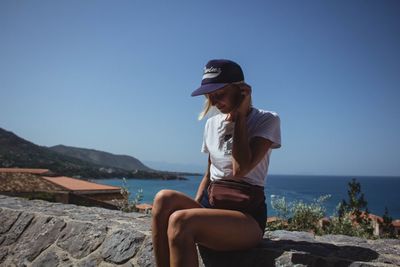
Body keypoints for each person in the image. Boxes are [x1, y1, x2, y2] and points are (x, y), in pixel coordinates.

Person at [151, 59, 281, 267]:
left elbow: (240, 169)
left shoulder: (266, 120)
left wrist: (239, 117)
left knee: (180, 221)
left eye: (218, 94)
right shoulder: (212, 124)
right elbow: (209, 174)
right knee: (163, 198)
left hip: (246, 218)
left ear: (241, 90)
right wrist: (195, 208)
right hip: (212, 208)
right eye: (209, 97)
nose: (213, 102)